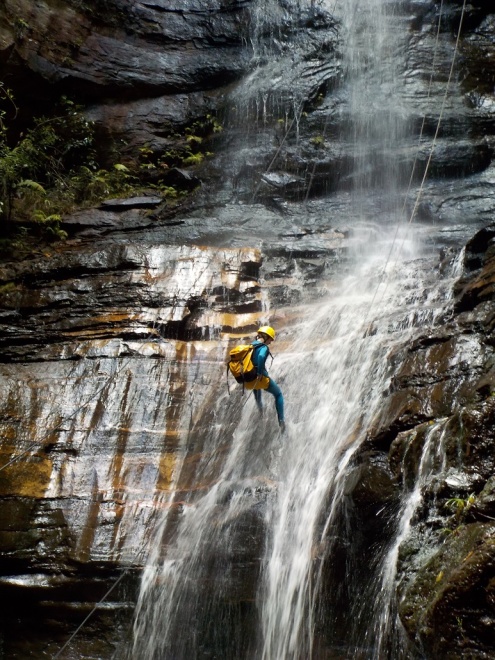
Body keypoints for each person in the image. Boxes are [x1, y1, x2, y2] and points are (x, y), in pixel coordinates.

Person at [251, 326, 286, 433]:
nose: (271, 342)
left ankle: (261, 411)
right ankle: (281, 421)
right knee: (278, 394)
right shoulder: (264, 347)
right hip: (260, 377)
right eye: (270, 339)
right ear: (266, 337)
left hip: (249, 378)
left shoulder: (251, 345)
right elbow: (261, 357)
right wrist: (260, 373)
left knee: (257, 393)